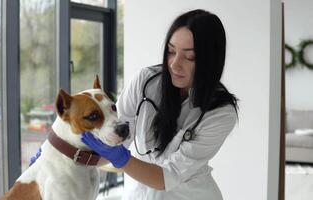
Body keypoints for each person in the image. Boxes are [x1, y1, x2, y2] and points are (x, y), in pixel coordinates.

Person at [31, 9, 239, 200]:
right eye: (170, 51)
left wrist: (119, 157)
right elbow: (114, 141)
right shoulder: (147, 81)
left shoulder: (221, 113)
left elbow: (168, 176)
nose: (175, 64)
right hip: (138, 194)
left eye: (189, 56)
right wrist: (57, 159)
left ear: (209, 60)